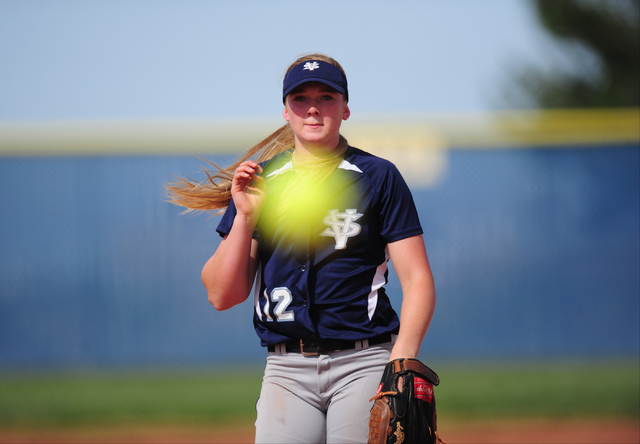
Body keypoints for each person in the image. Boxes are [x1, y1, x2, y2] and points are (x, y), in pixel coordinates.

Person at [167, 53, 436, 443]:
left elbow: (418, 279)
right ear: (285, 111)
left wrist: (401, 360)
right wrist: (244, 216)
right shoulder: (263, 182)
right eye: (300, 98)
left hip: (362, 362)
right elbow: (222, 294)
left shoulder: (378, 177)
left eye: (327, 97)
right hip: (286, 370)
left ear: (345, 108)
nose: (313, 108)